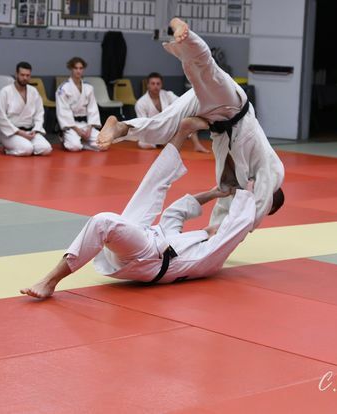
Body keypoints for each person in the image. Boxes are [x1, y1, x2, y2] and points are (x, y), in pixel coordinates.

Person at [21, 117, 257, 299]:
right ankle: (182, 132)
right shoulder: (189, 238)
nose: (218, 226)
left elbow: (237, 225)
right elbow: (175, 213)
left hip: (149, 260)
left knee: (103, 221)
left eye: (221, 227)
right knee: (152, 185)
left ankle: (50, 281)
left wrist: (251, 187)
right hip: (144, 241)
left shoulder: (212, 256)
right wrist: (215, 193)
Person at [97, 18, 285, 229]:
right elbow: (259, 204)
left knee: (163, 128)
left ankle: (121, 127)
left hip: (211, 118)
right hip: (232, 107)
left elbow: (224, 209)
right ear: (271, 199)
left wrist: (212, 234)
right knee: (207, 71)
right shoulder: (273, 173)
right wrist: (247, 229)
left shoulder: (238, 184)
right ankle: (185, 33)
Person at [135, 72, 209, 153]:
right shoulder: (141, 103)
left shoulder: (168, 95)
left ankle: (197, 145)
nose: (155, 86)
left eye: (158, 84)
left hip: (169, 127)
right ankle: (161, 143)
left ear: (161, 85)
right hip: (153, 130)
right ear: (148, 85)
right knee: (142, 143)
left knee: (188, 119)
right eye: (153, 84)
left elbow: (182, 104)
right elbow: (142, 125)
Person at [0, 62, 52, 156]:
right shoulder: (5, 92)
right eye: (22, 75)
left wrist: (35, 130)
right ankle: (8, 150)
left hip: (30, 131)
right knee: (27, 149)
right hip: (11, 133)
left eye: (27, 75)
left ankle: (26, 147)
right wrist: (19, 132)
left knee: (46, 149)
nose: (25, 78)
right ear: (16, 74)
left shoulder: (33, 91)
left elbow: (39, 113)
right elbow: (0, 118)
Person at [55, 57, 101, 151]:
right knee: (74, 147)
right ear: (71, 69)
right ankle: (65, 138)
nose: (78, 71)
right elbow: (63, 111)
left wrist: (90, 128)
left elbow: (93, 109)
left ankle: (82, 143)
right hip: (71, 125)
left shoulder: (88, 87)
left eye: (81, 68)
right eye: (76, 68)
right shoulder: (63, 88)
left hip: (86, 124)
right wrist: (77, 130)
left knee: (103, 144)